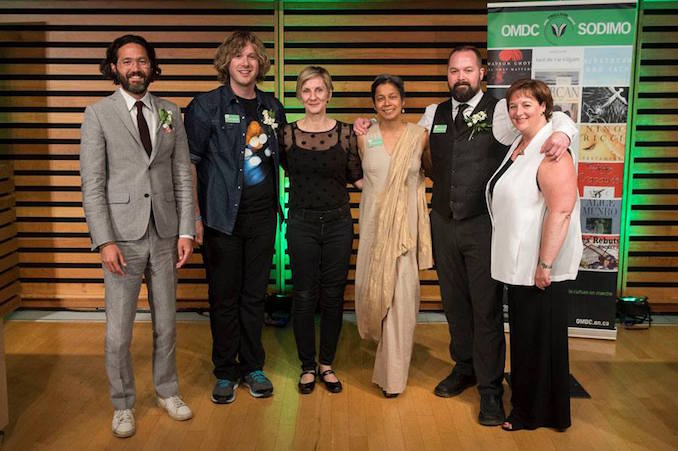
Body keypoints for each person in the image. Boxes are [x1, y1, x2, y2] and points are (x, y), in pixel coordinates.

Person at [354, 45, 576, 423]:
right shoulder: (432, 114)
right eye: (454, 71)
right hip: (442, 222)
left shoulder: (503, 113)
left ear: (481, 74)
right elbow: (401, 137)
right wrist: (366, 126)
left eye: (468, 70)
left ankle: (491, 389)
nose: (460, 77)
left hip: (482, 226)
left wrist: (566, 134)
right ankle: (464, 367)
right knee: (454, 304)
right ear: (448, 75)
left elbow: (554, 120)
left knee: (485, 310)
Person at [80, 34, 195, 438]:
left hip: (165, 234)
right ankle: (123, 403)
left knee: (168, 323)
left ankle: (167, 391)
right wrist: (104, 240)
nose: (135, 68)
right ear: (113, 67)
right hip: (122, 239)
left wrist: (186, 228)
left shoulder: (170, 112)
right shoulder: (98, 114)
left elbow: (182, 172)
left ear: (151, 66)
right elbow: (92, 184)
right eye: (126, 61)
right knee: (118, 332)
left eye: (142, 61)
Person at [184, 31, 286, 404]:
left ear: (261, 64)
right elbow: (189, 165)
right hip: (220, 219)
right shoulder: (205, 106)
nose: (246, 62)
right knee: (224, 297)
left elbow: (289, 154)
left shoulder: (272, 107)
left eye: (253, 56)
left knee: (253, 295)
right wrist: (193, 217)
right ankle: (225, 371)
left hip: (262, 220)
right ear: (226, 61)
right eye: (239, 55)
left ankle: (253, 367)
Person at [486, 79, 583, 431]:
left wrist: (545, 264)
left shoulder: (552, 149)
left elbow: (561, 210)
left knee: (539, 343)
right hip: (521, 264)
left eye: (527, 104)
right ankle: (535, 408)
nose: (518, 112)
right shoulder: (520, 142)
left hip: (540, 268)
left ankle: (530, 414)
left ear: (545, 106)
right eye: (513, 105)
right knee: (528, 341)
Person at [280, 66, 363, 394]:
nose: (313, 96)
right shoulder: (285, 135)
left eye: (319, 90)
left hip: (339, 224)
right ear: (300, 95)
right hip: (301, 223)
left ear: (329, 94)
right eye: (306, 90)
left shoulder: (346, 134)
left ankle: (326, 364)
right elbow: (283, 171)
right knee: (303, 295)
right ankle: (306, 366)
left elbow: (358, 177)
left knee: (332, 296)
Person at [354, 74, 433, 398]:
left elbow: (429, 171)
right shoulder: (364, 137)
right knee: (371, 294)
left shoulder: (419, 137)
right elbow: (359, 176)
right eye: (381, 98)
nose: (387, 103)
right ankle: (384, 359)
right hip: (373, 229)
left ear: (403, 101)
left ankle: (393, 378)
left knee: (401, 301)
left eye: (393, 97)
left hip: (405, 232)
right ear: (374, 105)